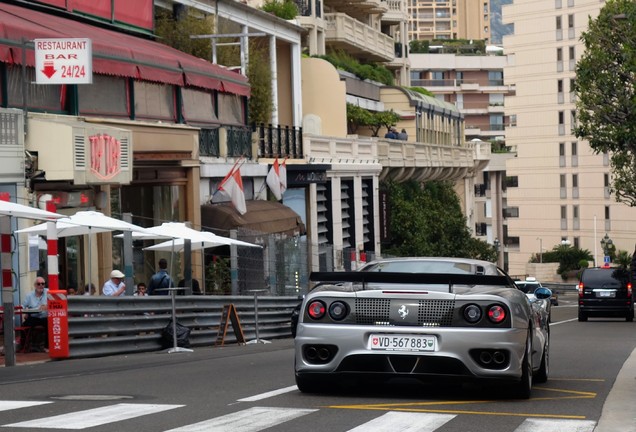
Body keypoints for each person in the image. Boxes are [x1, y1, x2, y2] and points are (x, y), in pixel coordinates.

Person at [21, 277, 49, 351]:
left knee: (50, 324)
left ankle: (47, 346)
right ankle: (23, 345)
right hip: (34, 317)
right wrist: (26, 310)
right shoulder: (29, 295)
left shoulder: (48, 292)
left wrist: (48, 306)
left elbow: (55, 302)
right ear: (35, 285)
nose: (41, 285)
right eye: (38, 284)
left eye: (43, 284)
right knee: (24, 325)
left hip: (45, 317)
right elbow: (22, 306)